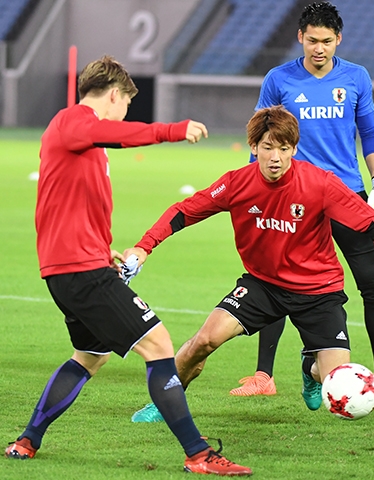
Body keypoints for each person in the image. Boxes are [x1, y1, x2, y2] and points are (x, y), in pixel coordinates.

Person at [4, 55, 252, 476]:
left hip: (74, 268)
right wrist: (173, 130)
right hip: (80, 273)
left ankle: (27, 441)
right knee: (158, 345)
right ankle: (198, 454)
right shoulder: (72, 121)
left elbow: (74, 208)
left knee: (90, 355)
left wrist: (103, 250)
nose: (123, 115)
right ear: (114, 95)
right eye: (125, 106)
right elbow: (113, 133)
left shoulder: (77, 139)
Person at [127, 106, 374, 424]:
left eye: (283, 148)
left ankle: (310, 368)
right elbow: (184, 211)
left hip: (319, 290)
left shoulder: (320, 183)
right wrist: (145, 247)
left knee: (335, 380)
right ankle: (165, 403)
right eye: (268, 147)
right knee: (203, 340)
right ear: (253, 147)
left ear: (294, 149)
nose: (276, 157)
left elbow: (371, 223)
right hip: (262, 285)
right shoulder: (236, 183)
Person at [229, 0, 374, 399]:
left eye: (327, 41)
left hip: (346, 193)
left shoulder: (356, 77)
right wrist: (253, 189)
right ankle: (264, 376)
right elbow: (261, 140)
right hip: (292, 196)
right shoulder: (278, 80)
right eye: (312, 40)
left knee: (372, 284)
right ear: (300, 37)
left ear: (338, 39)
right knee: (274, 280)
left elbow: (370, 133)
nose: (319, 48)